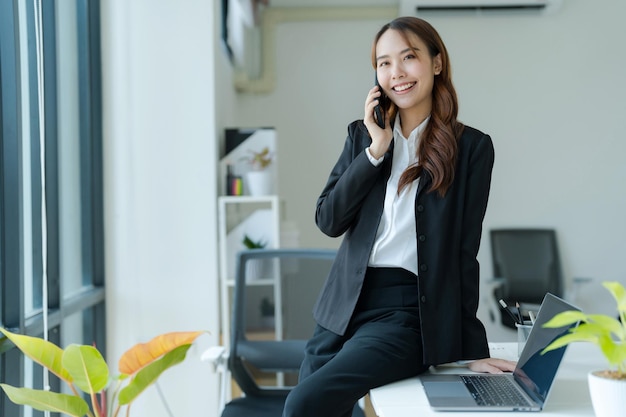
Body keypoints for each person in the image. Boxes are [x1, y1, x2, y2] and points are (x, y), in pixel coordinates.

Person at [282, 16, 515, 417]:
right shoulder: (362, 135)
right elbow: (328, 220)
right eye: (384, 62)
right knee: (319, 409)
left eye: (409, 57)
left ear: (436, 63)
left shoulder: (472, 148)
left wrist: (471, 351)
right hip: (341, 305)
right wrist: (375, 150)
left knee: (304, 403)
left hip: (407, 311)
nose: (397, 73)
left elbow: (464, 252)